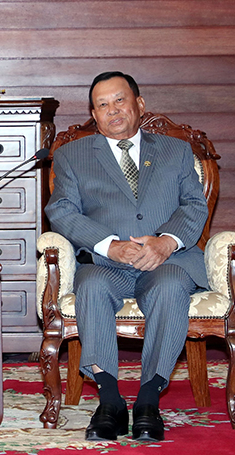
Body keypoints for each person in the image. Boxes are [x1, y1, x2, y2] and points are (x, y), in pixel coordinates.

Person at [45, 71, 208, 442]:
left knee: (170, 288)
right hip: (106, 264)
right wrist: (108, 245)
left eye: (119, 100)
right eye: (102, 105)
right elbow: (62, 211)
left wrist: (166, 242)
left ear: (139, 104)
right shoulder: (72, 156)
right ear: (94, 114)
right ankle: (110, 401)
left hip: (165, 262)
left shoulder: (176, 150)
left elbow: (193, 205)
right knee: (90, 286)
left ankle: (148, 400)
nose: (112, 110)